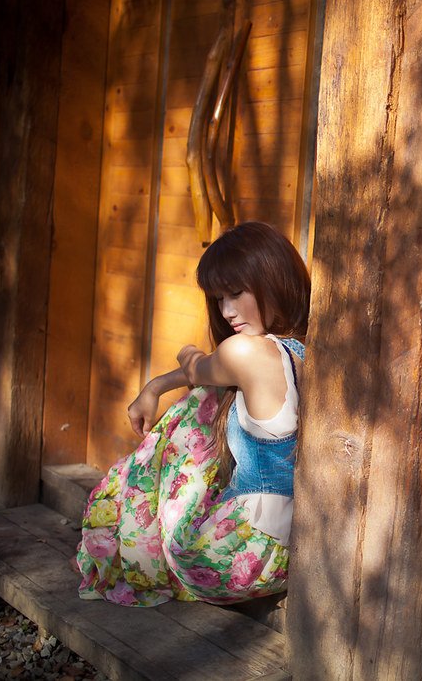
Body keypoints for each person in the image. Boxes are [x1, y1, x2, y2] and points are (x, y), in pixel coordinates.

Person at [76, 221, 311, 606]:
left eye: (236, 293)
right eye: (219, 299)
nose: (227, 311)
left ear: (274, 278)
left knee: (199, 402)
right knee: (212, 392)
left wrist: (159, 382)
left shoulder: (245, 351)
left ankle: (135, 533)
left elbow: (194, 367)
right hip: (291, 546)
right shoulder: (302, 347)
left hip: (242, 554)